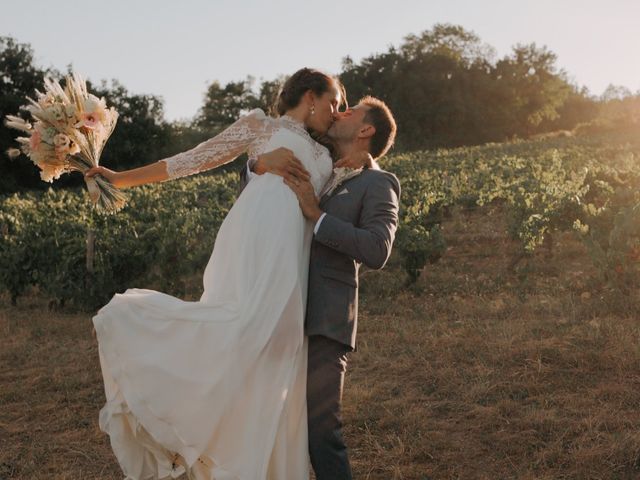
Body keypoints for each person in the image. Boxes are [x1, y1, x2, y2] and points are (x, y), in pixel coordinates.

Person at [86, 68, 374, 480]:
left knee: (277, 352)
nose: (335, 112)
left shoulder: (328, 151)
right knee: (243, 328)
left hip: (293, 255)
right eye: (332, 102)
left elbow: (353, 175)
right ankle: (141, 340)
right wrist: (120, 178)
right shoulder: (260, 126)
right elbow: (190, 161)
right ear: (310, 96)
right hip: (255, 239)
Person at [241, 96, 400, 479]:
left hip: (324, 318)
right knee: (274, 423)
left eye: (350, 111)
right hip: (278, 309)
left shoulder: (378, 182)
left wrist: (318, 214)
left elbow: (378, 249)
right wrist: (256, 165)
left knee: (320, 430)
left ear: (366, 130)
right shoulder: (320, 165)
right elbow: (257, 193)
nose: (338, 112)